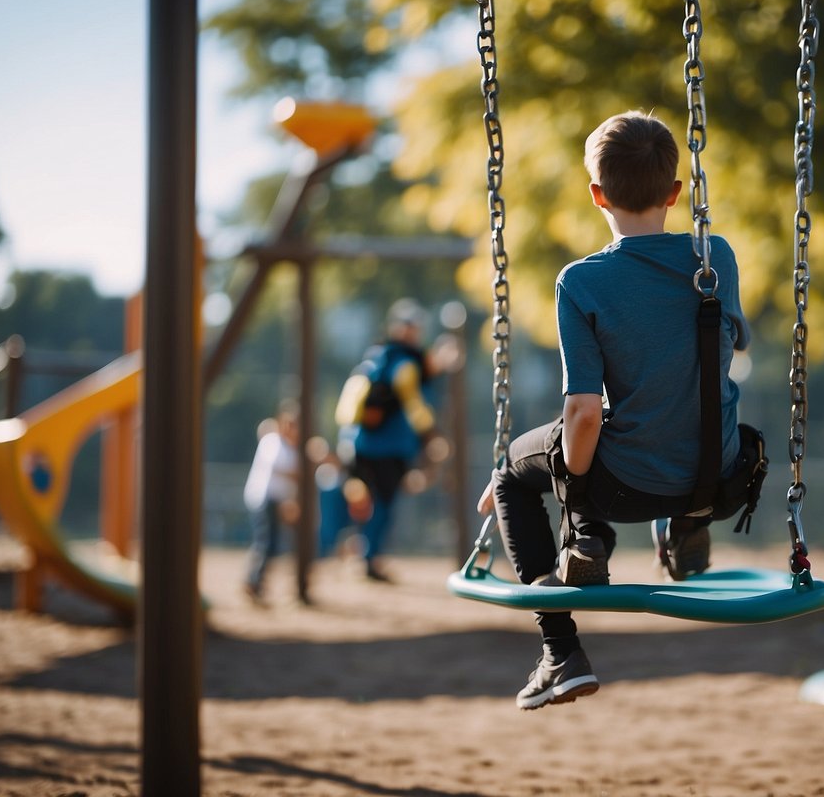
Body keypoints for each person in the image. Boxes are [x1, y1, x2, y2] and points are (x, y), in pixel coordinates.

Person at [476, 111, 750, 709]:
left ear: (595, 194)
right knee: (683, 409)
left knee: (510, 478)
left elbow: (582, 412)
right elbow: (733, 342)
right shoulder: (718, 257)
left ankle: (561, 650)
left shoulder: (582, 281)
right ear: (676, 194)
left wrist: (568, 492)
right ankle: (685, 525)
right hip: (717, 475)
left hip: (624, 488)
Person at [326, 298, 458, 582]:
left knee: (364, 500)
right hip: (387, 447)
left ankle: (355, 547)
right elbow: (413, 402)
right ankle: (368, 556)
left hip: (357, 441)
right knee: (383, 503)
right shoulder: (405, 361)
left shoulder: (376, 355)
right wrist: (430, 434)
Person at [242, 401, 301, 605]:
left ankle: (257, 582)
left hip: (275, 501)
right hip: (264, 499)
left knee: (272, 544)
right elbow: (280, 470)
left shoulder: (290, 448)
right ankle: (253, 581)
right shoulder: (273, 441)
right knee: (265, 542)